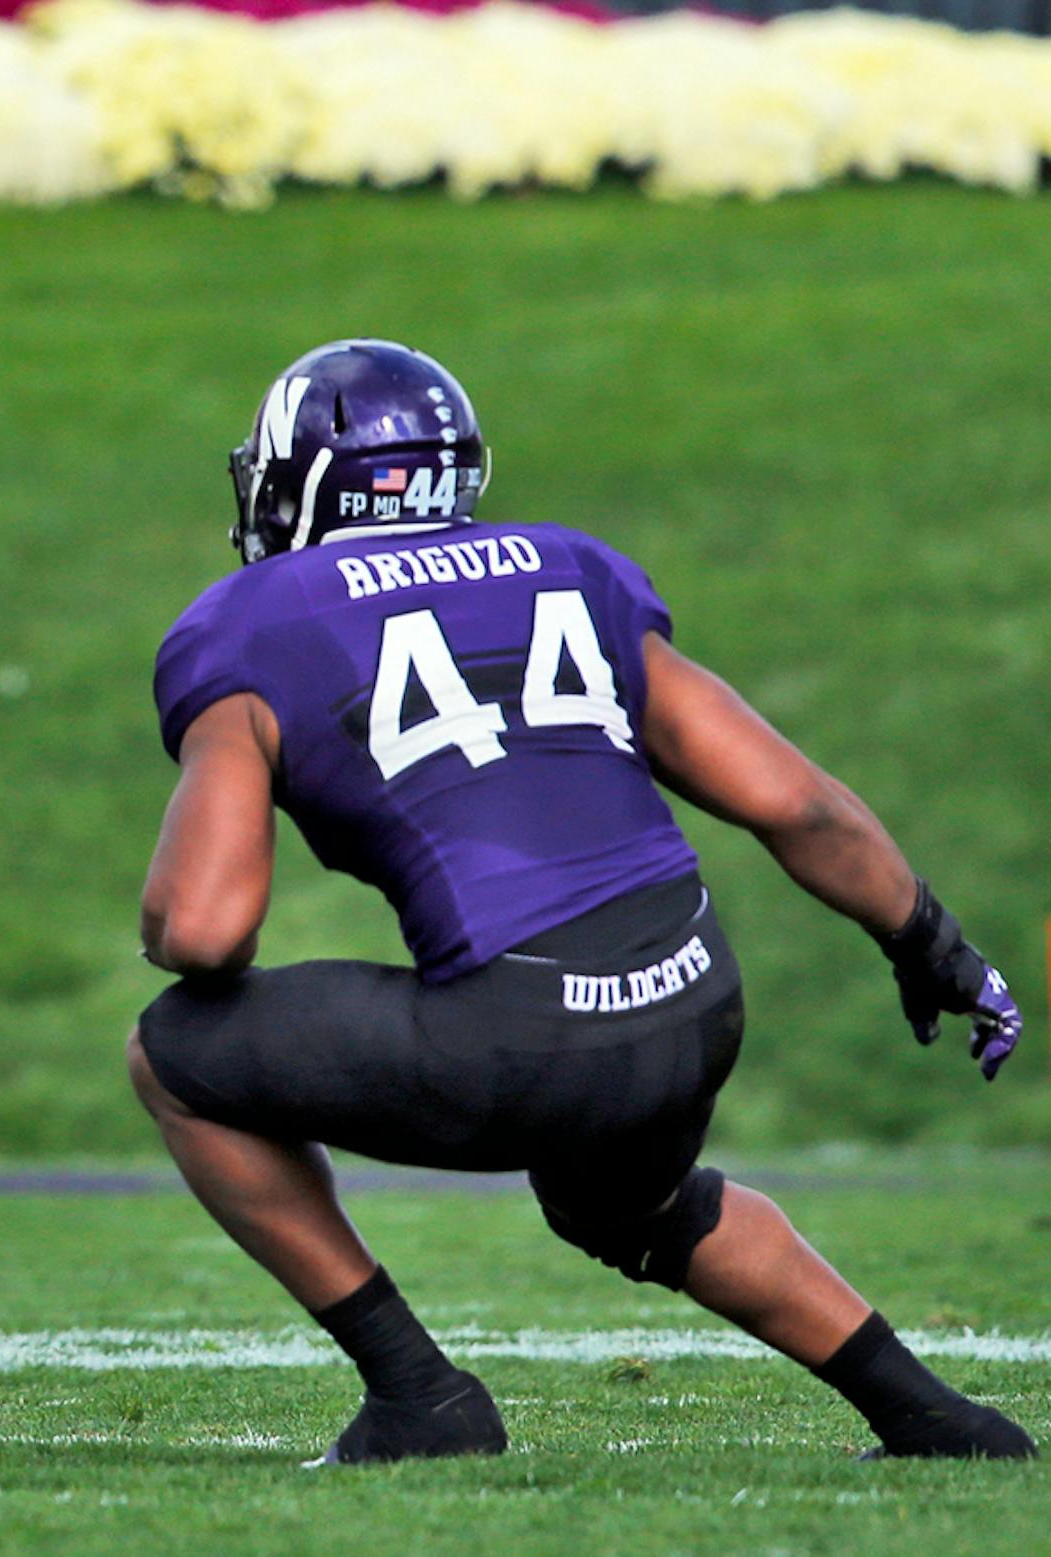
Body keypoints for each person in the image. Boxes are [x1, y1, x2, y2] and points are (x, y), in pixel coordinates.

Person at [128, 339, 1033, 1464]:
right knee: (631, 1203)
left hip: (522, 1031)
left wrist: (168, 910)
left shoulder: (253, 618)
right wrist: (930, 945)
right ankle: (936, 1421)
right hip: (692, 1000)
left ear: (304, 480)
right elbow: (797, 805)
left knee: (174, 1054)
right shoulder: (571, 566)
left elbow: (207, 930)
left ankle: (420, 1398)